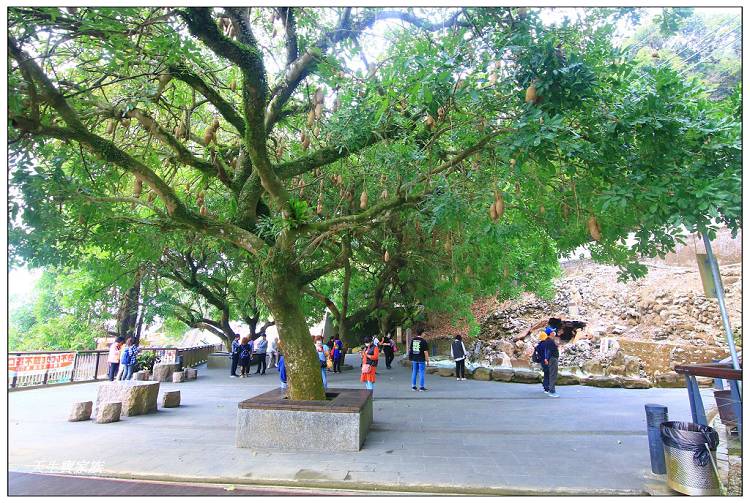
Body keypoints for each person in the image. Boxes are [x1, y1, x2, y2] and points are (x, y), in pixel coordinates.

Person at [408, 327, 430, 391]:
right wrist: (427, 361)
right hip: (421, 359)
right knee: (421, 372)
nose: (424, 334)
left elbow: (410, 350)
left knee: (414, 372)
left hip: (414, 358)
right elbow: (425, 352)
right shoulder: (423, 341)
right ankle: (421, 387)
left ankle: (413, 386)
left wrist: (410, 357)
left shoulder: (413, 340)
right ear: (422, 333)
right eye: (424, 333)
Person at [543, 328, 560, 398]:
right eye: (553, 332)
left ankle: (550, 389)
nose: (554, 333)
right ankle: (552, 391)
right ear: (550, 333)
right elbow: (549, 351)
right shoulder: (550, 341)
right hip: (553, 359)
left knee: (552, 374)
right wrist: (547, 358)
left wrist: (546, 358)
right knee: (553, 375)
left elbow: (547, 350)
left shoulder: (548, 341)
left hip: (551, 358)